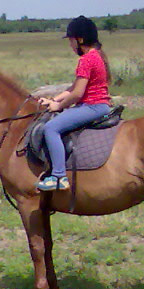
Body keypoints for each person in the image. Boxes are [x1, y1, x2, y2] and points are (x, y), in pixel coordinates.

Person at [37, 15, 112, 192]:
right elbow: (73, 88)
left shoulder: (86, 60)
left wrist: (59, 107)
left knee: (51, 128)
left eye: (71, 41)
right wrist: (53, 100)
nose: (70, 45)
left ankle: (58, 177)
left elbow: (77, 94)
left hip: (92, 106)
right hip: (99, 105)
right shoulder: (97, 56)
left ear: (80, 40)